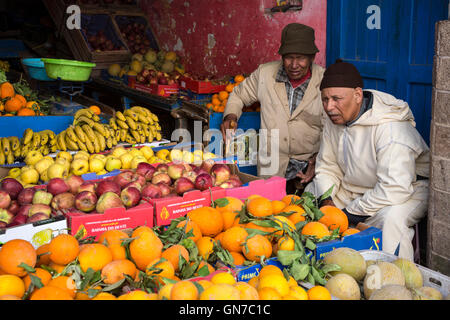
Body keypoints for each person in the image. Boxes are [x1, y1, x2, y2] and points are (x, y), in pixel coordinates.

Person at [306, 59, 430, 260]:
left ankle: (393, 278)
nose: (329, 107)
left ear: (357, 95)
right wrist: (327, 201)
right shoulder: (336, 118)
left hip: (406, 190)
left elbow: (394, 188)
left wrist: (348, 214)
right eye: (325, 99)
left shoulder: (390, 129)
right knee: (311, 196)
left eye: (336, 98)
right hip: (357, 185)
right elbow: (328, 165)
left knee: (391, 221)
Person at [221, 23, 326, 192]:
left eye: (301, 58)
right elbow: (239, 95)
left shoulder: (324, 81)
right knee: (266, 211)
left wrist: (319, 158)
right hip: (272, 165)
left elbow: (335, 127)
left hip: (308, 169)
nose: (294, 64)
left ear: (312, 57)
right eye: (289, 57)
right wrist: (230, 116)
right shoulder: (265, 74)